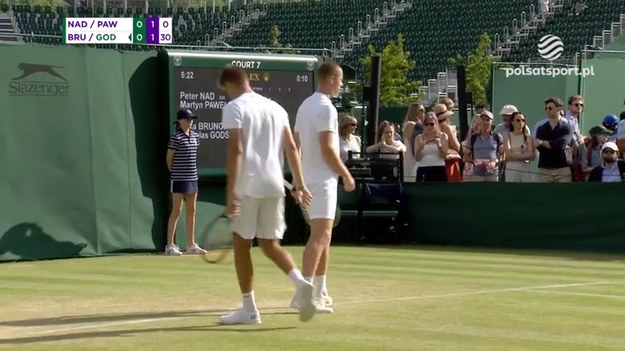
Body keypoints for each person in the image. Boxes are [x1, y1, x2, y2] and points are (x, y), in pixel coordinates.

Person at [218, 67, 318, 324]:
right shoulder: (277, 108)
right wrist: (299, 184)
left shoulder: (235, 108)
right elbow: (292, 148)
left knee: (241, 245)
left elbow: (236, 151)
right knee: (269, 245)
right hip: (274, 185)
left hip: (247, 185)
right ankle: (299, 281)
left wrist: (231, 191)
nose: (227, 95)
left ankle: (249, 310)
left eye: (225, 91)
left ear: (230, 85)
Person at [293, 62, 356, 312]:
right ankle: (304, 293)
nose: (341, 85)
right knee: (319, 236)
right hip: (321, 181)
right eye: (340, 80)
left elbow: (295, 147)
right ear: (330, 78)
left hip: (311, 180)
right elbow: (328, 149)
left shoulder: (305, 106)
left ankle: (319, 290)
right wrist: (347, 174)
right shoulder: (326, 108)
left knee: (325, 237)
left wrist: (298, 180)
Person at [165, 109, 208, 256]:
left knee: (192, 210)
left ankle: (191, 245)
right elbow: (169, 158)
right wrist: (175, 173)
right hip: (178, 179)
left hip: (192, 178)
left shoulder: (195, 136)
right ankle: (170, 246)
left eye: (191, 119)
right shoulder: (175, 138)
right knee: (176, 210)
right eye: (187, 119)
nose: (190, 121)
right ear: (180, 121)